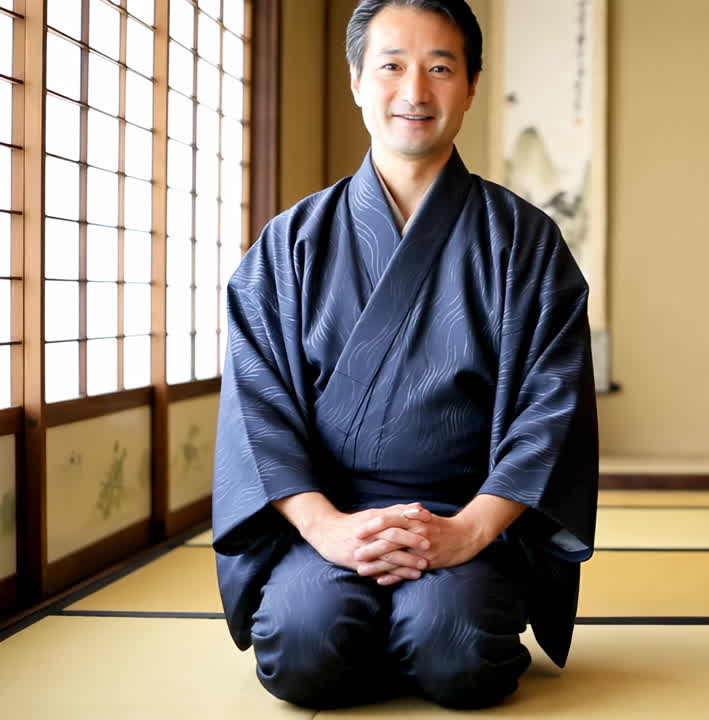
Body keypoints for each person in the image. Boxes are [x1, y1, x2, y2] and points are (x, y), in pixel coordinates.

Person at [211, 0, 597, 710]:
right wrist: (327, 527)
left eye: (440, 68)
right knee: (300, 651)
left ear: (471, 85)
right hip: (327, 518)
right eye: (391, 66)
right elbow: (256, 411)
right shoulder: (290, 245)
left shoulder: (525, 242)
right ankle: (371, 622)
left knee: (460, 655)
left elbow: (552, 407)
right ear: (357, 80)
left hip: (466, 516)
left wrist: (466, 530)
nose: (415, 92)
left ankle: (413, 626)